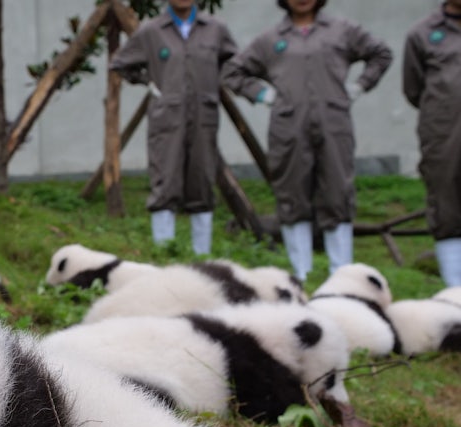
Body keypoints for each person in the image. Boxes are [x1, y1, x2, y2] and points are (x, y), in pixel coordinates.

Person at [222, 0, 392, 281]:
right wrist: (264, 95)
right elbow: (233, 72)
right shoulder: (271, 39)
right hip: (289, 127)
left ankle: (342, 273)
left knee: (337, 193)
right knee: (292, 194)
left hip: (333, 123)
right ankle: (300, 273)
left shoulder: (342, 30)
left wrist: (360, 86)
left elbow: (381, 53)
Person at [110, 0, 237, 256]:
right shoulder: (152, 31)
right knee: (165, 181)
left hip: (204, 116)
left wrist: (214, 81)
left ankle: (202, 258)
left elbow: (234, 62)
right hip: (167, 118)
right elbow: (120, 63)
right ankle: (163, 256)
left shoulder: (215, 29)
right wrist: (150, 81)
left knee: (202, 180)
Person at [402, 1, 461, 287]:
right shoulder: (422, 33)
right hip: (442, 132)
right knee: (446, 201)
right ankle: (455, 290)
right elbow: (413, 89)